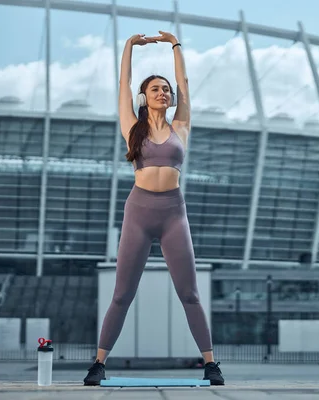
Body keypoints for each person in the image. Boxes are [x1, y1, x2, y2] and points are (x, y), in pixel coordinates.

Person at [82, 31, 224, 386]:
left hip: (174, 213)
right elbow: (123, 81)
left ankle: (210, 364)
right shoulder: (132, 127)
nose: (164, 92)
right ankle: (98, 363)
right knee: (122, 294)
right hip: (140, 213)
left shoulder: (182, 125)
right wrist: (130, 46)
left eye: (166, 89)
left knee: (189, 293)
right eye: (156, 89)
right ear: (144, 98)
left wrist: (175, 44)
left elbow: (184, 81)